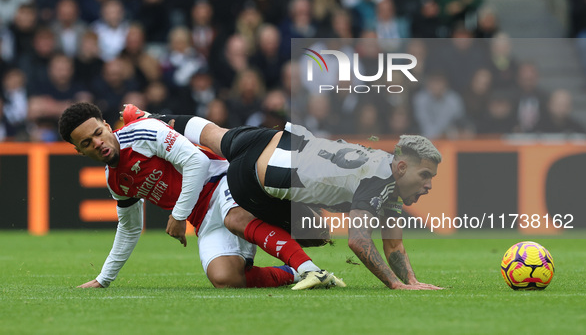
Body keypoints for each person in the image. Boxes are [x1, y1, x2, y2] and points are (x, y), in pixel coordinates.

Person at [121, 104, 443, 290]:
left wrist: (411, 279)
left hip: (273, 138)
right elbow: (359, 242)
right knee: (317, 233)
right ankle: (299, 268)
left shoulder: (387, 171)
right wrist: (397, 285)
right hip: (255, 183)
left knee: (213, 134)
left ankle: (149, 117)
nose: (428, 185)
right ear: (401, 167)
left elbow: (393, 244)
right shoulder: (382, 182)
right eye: (425, 176)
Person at [58, 103, 345, 290]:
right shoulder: (116, 182)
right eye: (87, 143)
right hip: (204, 217)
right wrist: (103, 280)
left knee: (235, 217)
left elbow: (198, 162)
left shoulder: (142, 133)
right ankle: (293, 273)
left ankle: (312, 270)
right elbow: (130, 228)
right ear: (80, 151)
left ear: (107, 126)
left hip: (225, 181)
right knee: (225, 278)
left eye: (98, 133)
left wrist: (178, 216)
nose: (98, 143)